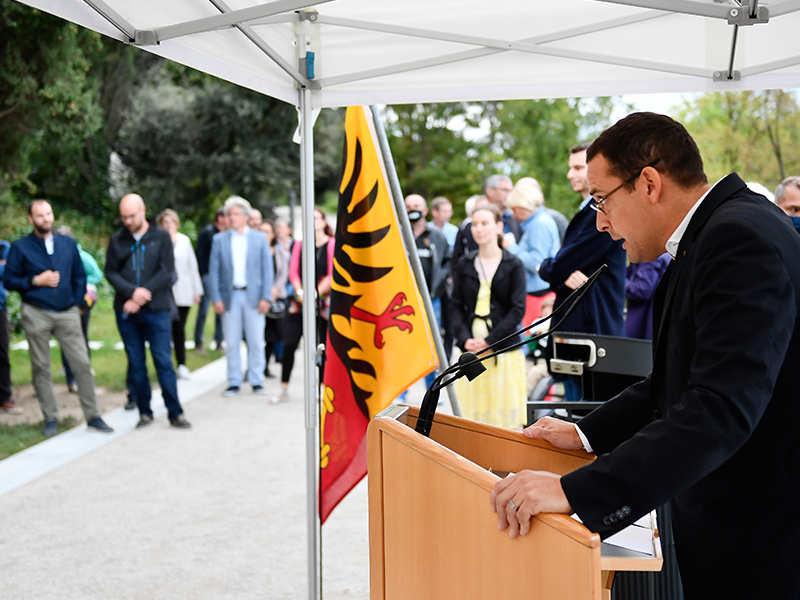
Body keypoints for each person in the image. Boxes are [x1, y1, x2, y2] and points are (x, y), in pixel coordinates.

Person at [490, 112, 800, 598]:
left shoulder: (738, 239)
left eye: (601, 199)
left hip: (765, 543)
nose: (600, 221)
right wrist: (585, 432)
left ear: (649, 183)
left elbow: (718, 409)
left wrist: (573, 491)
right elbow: (675, 380)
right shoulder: (708, 236)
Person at [5, 200, 112, 436]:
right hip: (36, 312)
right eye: (40, 216)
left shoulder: (68, 243)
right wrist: (35, 281)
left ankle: (93, 415)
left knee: (82, 363)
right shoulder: (20, 247)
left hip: (67, 312)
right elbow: (9, 280)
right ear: (30, 219)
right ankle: (50, 418)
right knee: (41, 367)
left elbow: (79, 275)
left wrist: (77, 303)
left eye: (48, 214)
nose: (46, 219)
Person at [538, 142, 626, 401]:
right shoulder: (588, 211)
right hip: (583, 330)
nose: (570, 175)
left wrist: (553, 269)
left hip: (592, 331)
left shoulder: (601, 213)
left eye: (578, 168)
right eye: (570, 168)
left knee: (584, 416)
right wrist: (558, 271)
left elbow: (558, 265)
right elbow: (560, 266)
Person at [106, 194, 191, 430]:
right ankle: (145, 411)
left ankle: (175, 412)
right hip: (127, 310)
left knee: (163, 360)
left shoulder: (161, 236)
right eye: (124, 217)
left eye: (132, 216)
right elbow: (111, 272)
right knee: (136, 362)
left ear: (143, 210)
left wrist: (142, 295)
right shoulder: (117, 240)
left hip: (157, 310)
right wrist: (132, 292)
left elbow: (167, 272)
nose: (128, 221)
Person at [451, 204, 527, 429]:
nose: (479, 229)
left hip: (503, 351)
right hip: (472, 351)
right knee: (472, 415)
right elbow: (455, 306)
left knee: (503, 414)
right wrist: (465, 340)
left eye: (485, 223)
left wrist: (490, 341)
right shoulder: (464, 264)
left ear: (498, 227)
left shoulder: (513, 264)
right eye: (474, 224)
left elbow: (517, 309)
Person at [208, 196, 273, 397]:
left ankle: (256, 380)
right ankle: (234, 381)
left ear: (245, 216)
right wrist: (216, 298)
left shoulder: (259, 238)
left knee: (255, 340)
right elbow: (214, 271)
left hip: (253, 296)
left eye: (236, 214)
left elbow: (267, 270)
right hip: (230, 297)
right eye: (230, 214)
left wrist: (266, 297)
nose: (232, 217)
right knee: (232, 341)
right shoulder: (219, 240)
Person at [277, 208, 334, 404]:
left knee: (321, 345)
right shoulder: (300, 244)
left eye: (316, 217)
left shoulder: (332, 244)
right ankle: (283, 387)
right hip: (299, 302)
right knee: (289, 343)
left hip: (322, 301)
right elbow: (293, 272)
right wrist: (301, 292)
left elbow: (332, 273)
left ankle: (321, 388)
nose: (313, 221)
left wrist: (314, 293)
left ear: (323, 221)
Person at [405, 194, 450, 387]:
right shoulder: (398, 234)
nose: (412, 210)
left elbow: (448, 261)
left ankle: (432, 387)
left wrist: (439, 285)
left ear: (424, 211)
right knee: (403, 344)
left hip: (431, 299)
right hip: (403, 300)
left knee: (432, 344)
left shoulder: (436, 236)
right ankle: (402, 391)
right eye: (408, 206)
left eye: (416, 206)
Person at [504, 183, 560, 326]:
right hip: (538, 292)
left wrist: (512, 247)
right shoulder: (539, 221)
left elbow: (537, 262)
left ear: (522, 206)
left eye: (514, 209)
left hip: (538, 295)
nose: (514, 215)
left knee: (532, 342)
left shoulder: (538, 225)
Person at [56, 226, 103, 394]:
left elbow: (97, 275)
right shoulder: (54, 258)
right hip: (63, 302)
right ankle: (70, 378)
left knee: (82, 335)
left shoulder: (83, 257)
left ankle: (85, 370)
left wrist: (79, 280)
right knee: (65, 337)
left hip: (82, 301)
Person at [157, 209, 203, 379]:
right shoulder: (158, 241)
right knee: (164, 330)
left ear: (176, 224)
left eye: (171, 222)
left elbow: (192, 267)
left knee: (179, 330)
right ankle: (166, 364)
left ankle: (181, 363)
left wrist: (197, 291)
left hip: (183, 292)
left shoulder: (184, 241)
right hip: (164, 293)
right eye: (165, 222)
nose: (168, 225)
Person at [194, 207, 228, 354]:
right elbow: (199, 255)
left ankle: (219, 341)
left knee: (221, 309)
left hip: (223, 277)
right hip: (208, 276)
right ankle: (198, 342)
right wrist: (202, 276)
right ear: (220, 218)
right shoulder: (208, 233)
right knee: (204, 309)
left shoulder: (227, 235)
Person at [259, 220, 288, 378]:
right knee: (257, 334)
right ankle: (255, 366)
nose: (265, 235)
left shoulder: (278, 252)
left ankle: (265, 365)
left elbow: (283, 272)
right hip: (259, 298)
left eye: (268, 231)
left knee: (272, 334)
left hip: (276, 296)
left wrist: (275, 288)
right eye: (261, 231)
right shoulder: (255, 250)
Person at [624, 254, 670, 340]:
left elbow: (641, 289)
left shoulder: (650, 257)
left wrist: (618, 281)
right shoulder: (664, 256)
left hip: (643, 321)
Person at [0, 239, 21, 415]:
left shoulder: (4, 247)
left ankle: (4, 397)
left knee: (2, 352)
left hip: (0, 307)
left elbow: (8, 272)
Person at [484, 175, 521, 242]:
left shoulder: (515, 218)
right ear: (490, 191)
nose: (510, 194)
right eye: (505, 190)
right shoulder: (477, 219)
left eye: (511, 191)